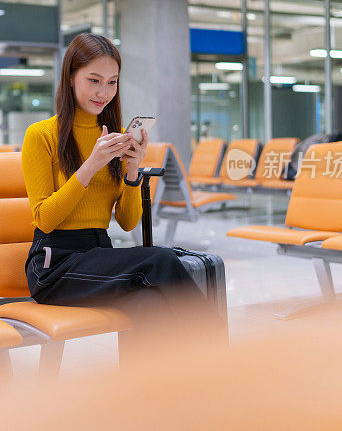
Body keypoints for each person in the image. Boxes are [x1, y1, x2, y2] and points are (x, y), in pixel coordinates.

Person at [21, 33, 217, 351]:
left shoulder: (113, 140)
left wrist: (131, 170)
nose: (103, 92)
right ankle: (223, 358)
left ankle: (143, 396)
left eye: (112, 82)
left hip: (99, 254)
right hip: (54, 265)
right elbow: (44, 218)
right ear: (70, 78)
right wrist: (91, 165)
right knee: (162, 260)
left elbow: (127, 223)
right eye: (94, 80)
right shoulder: (41, 135)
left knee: (148, 303)